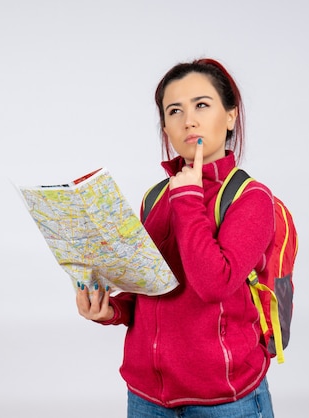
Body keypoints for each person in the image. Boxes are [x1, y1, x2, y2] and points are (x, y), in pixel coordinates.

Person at [76, 58, 276, 417]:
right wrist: (109, 310)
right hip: (147, 399)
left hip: (224, 401)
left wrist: (188, 200)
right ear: (165, 127)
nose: (189, 120)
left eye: (202, 105)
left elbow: (214, 285)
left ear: (230, 116)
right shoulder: (155, 197)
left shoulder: (251, 198)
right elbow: (150, 292)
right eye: (174, 111)